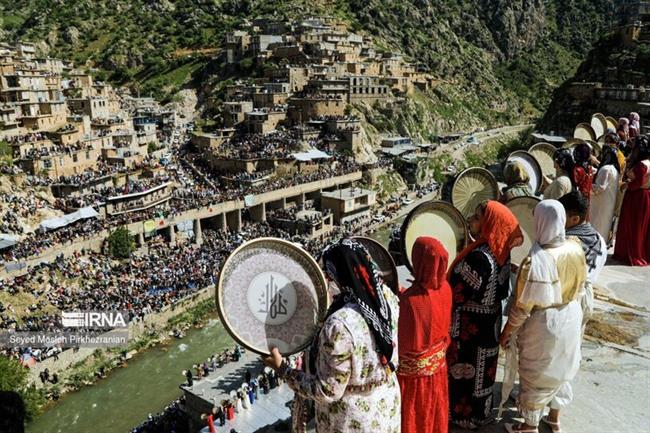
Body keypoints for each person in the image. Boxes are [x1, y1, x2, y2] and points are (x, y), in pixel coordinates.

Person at [263, 239, 401, 433]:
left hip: (352, 418)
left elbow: (327, 390)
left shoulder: (338, 325)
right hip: (385, 403)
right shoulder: (386, 297)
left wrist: (283, 369)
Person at [500, 200, 587, 433]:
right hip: (571, 314)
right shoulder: (575, 247)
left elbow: (522, 309)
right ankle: (554, 419)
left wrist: (506, 333)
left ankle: (529, 427)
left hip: (545, 324)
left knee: (536, 375)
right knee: (562, 370)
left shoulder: (536, 262)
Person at [447, 201, 523, 429]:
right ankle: (481, 413)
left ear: (489, 223)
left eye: (478, 217)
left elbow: (457, 293)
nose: (471, 219)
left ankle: (463, 417)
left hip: (471, 327)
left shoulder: (479, 257)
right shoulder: (501, 252)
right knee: (484, 368)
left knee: (466, 369)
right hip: (490, 322)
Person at [398, 236, 452, 433]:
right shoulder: (446, 288)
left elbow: (402, 346)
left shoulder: (410, 302)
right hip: (437, 372)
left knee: (414, 420)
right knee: (433, 418)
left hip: (413, 382)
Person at [559, 191, 606, 329]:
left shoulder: (567, 243)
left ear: (574, 219)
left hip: (568, 302)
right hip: (586, 299)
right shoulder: (599, 238)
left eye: (562, 216)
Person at [614, 135, 650, 266]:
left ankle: (631, 253)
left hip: (636, 198)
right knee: (641, 226)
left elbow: (637, 183)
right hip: (644, 196)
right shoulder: (647, 163)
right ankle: (641, 252)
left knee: (633, 226)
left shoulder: (641, 165)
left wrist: (626, 184)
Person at [590, 145, 621, 241]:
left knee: (597, 225)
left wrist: (587, 184)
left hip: (600, 204)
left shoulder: (606, 169)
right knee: (604, 226)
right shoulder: (614, 169)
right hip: (608, 203)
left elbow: (599, 188)